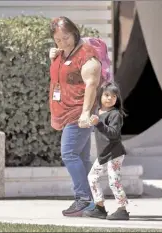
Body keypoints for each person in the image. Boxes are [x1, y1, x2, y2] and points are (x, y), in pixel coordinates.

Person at [49, 16, 101, 217]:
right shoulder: (62, 52)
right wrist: (55, 54)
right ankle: (92, 201)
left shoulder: (87, 56)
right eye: (58, 40)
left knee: (69, 153)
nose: (63, 42)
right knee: (80, 157)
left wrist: (86, 113)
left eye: (66, 37)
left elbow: (91, 85)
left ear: (74, 33)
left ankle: (83, 198)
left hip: (79, 112)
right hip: (66, 111)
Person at [83, 82, 130, 221]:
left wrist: (99, 124)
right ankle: (100, 207)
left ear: (117, 99)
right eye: (107, 95)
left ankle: (122, 210)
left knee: (114, 181)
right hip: (104, 153)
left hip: (114, 153)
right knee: (92, 177)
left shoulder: (115, 114)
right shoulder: (98, 112)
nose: (110, 98)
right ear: (100, 96)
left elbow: (114, 134)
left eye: (113, 96)